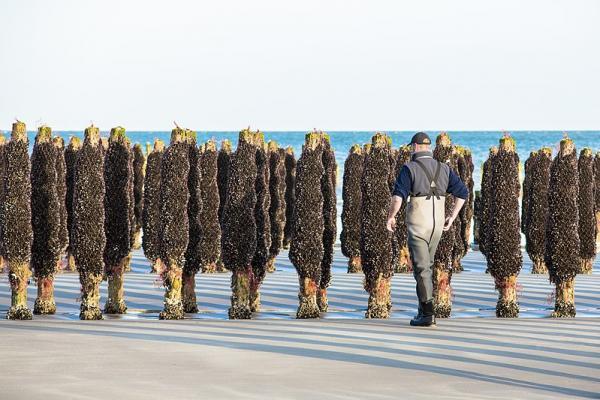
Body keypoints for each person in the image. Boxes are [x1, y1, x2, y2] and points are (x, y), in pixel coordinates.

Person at [386, 132, 468, 327]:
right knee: (427, 266)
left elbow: (398, 197)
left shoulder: (409, 168)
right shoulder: (444, 168)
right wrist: (452, 216)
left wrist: (391, 217)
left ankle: (428, 314)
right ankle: (422, 310)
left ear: (414, 147)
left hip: (418, 225)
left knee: (422, 269)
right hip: (437, 225)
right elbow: (463, 193)